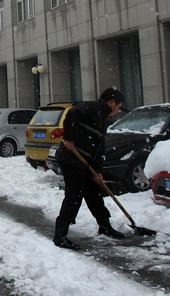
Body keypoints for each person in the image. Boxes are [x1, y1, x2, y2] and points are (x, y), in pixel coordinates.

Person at [53, 87, 125, 250]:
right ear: (112, 102)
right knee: (74, 195)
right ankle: (60, 235)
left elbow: (99, 146)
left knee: (94, 194)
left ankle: (105, 226)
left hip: (86, 161)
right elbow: (72, 114)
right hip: (72, 159)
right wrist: (69, 138)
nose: (117, 110)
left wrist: (98, 170)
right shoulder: (92, 107)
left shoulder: (104, 118)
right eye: (118, 107)